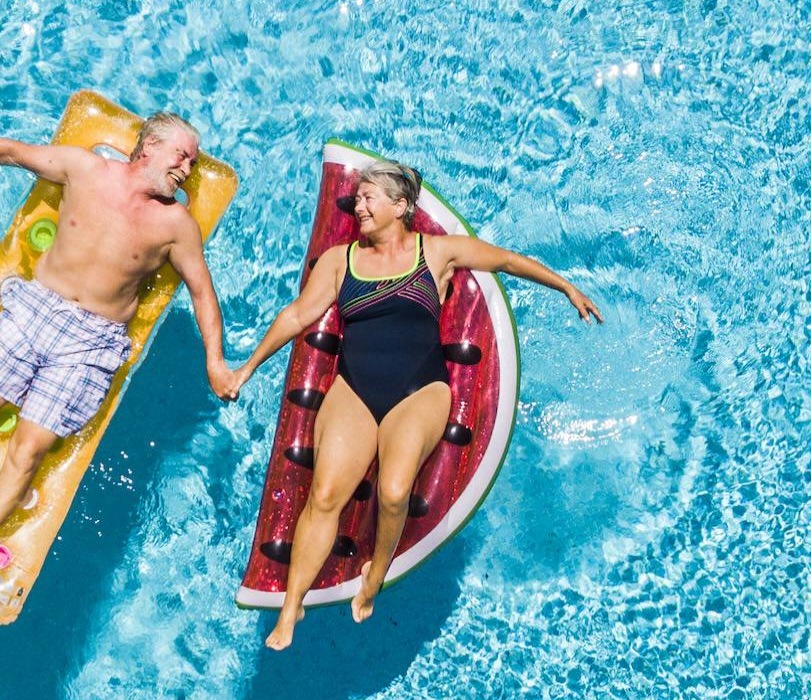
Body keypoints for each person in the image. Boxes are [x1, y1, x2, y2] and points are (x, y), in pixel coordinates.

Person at [0, 112, 234, 602]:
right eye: (181, 154)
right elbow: (12, 151)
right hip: (36, 309)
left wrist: (215, 361)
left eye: (193, 162)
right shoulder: (85, 169)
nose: (187, 168)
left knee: (26, 451)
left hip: (91, 341)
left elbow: (202, 293)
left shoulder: (176, 224)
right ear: (148, 146)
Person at [225, 160, 602, 650]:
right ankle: (292, 604)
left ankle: (376, 571)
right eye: (357, 198)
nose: (358, 205)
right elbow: (298, 314)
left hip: (420, 389)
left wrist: (566, 287)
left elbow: (506, 260)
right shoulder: (341, 260)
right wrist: (247, 367)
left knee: (395, 491)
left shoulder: (438, 253)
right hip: (354, 388)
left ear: (401, 207)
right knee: (324, 495)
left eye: (369, 198)